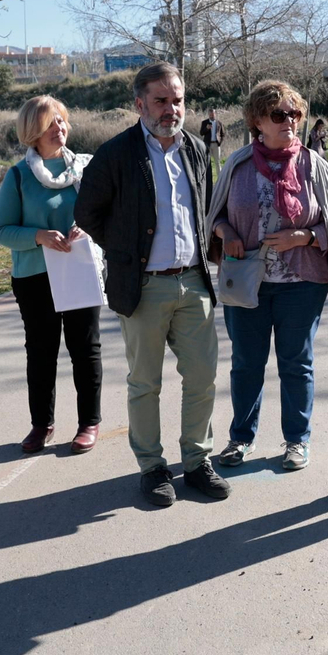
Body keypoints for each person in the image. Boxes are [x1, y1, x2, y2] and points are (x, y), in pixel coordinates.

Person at [74, 62, 230, 507]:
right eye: (161, 101)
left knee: (202, 378)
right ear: (139, 103)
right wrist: (125, 253)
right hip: (143, 288)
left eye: (177, 100)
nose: (170, 109)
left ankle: (197, 461)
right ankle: (152, 466)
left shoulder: (196, 149)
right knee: (145, 383)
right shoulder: (116, 153)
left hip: (194, 283)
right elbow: (87, 213)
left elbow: (204, 207)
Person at [209, 80, 328, 472]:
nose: (289, 121)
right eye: (279, 114)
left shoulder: (314, 165)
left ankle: (297, 440)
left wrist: (305, 236)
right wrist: (226, 233)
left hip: (301, 285)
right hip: (247, 282)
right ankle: (241, 438)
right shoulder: (237, 165)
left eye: (294, 113)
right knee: (246, 364)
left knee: (296, 363)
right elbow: (214, 217)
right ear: (258, 121)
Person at [0, 95, 102, 455]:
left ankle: (89, 422)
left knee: (85, 349)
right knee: (41, 353)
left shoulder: (85, 170)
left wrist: (89, 230)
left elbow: (105, 217)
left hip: (78, 272)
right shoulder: (19, 176)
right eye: (51, 122)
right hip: (34, 278)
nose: (60, 128)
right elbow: (1, 230)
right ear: (33, 131)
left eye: (62, 121)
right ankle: (42, 425)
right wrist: (38, 236)